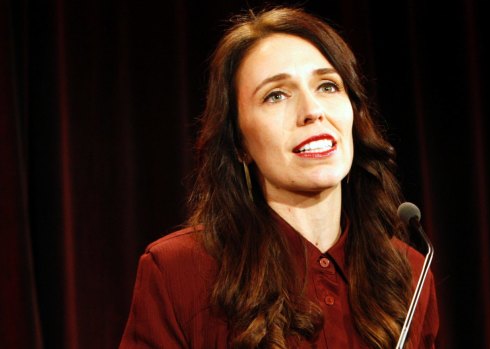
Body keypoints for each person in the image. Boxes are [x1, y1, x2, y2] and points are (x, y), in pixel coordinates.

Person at [120, 6, 439, 349]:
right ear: (239, 143)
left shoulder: (407, 272)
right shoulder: (177, 271)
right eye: (276, 95)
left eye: (328, 86)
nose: (312, 111)